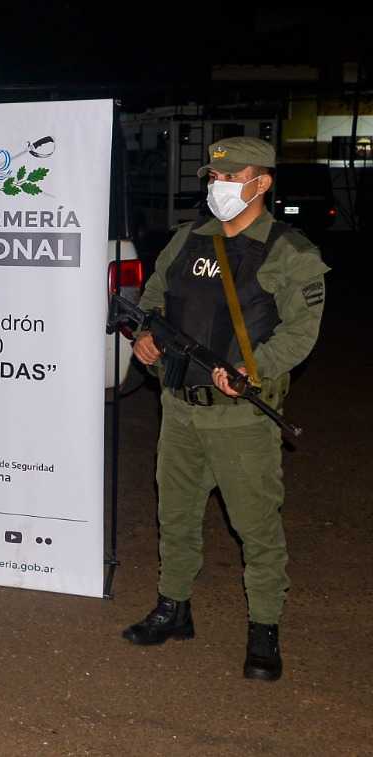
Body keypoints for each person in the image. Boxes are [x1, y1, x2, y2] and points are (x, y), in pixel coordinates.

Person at [121, 136, 328, 681]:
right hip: (179, 406)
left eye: (232, 178)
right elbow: (154, 300)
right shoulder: (187, 240)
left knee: (255, 527)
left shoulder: (289, 252)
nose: (220, 187)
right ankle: (173, 608)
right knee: (176, 515)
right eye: (214, 178)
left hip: (241, 419)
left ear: (262, 183)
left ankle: (264, 629)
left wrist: (251, 369)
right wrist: (146, 338)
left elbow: (301, 333)